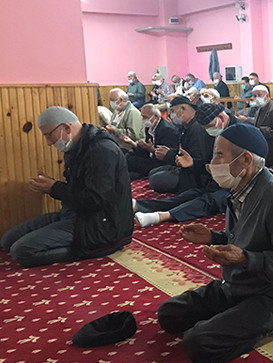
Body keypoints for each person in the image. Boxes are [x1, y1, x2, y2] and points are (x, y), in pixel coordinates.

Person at [156, 123, 273, 363]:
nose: (212, 163)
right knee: (169, 314)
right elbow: (249, 237)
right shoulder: (241, 187)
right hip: (239, 285)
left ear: (246, 160)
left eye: (220, 155)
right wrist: (214, 237)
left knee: (198, 344)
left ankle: (270, 323)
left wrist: (245, 260)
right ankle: (236, 313)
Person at [1, 107, 133, 267]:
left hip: (102, 224)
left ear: (66, 128)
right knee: (7, 241)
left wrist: (54, 187)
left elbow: (96, 200)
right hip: (76, 213)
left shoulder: (102, 151)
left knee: (21, 251)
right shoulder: (76, 146)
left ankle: (87, 249)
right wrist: (52, 186)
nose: (49, 142)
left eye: (49, 135)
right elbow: (78, 190)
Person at [133, 103, 236, 228]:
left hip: (234, 186)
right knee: (190, 195)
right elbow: (207, 162)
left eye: (209, 126)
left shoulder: (240, 133)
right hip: (215, 180)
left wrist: (220, 170)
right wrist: (193, 163)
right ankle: (140, 205)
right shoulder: (211, 132)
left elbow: (244, 167)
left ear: (222, 118)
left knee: (209, 200)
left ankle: (162, 216)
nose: (208, 130)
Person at [148, 96, 214, 193]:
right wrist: (169, 152)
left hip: (195, 175)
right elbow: (184, 150)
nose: (171, 115)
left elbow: (197, 159)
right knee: (152, 173)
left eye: (173, 111)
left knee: (156, 180)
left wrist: (169, 155)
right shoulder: (188, 125)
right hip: (183, 167)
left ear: (182, 108)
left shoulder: (197, 127)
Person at [124, 104, 180, 180]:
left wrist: (152, 150)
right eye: (142, 117)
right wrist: (143, 146)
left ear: (156, 116)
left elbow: (166, 156)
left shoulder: (167, 130)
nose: (143, 119)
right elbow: (148, 146)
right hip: (150, 156)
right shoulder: (149, 127)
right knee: (129, 155)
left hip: (160, 163)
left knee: (133, 162)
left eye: (145, 117)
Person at [106, 88, 145, 153]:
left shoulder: (132, 112)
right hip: (116, 143)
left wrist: (115, 130)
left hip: (128, 146)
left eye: (112, 100)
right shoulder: (117, 111)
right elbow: (112, 124)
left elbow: (134, 135)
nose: (111, 102)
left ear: (121, 100)